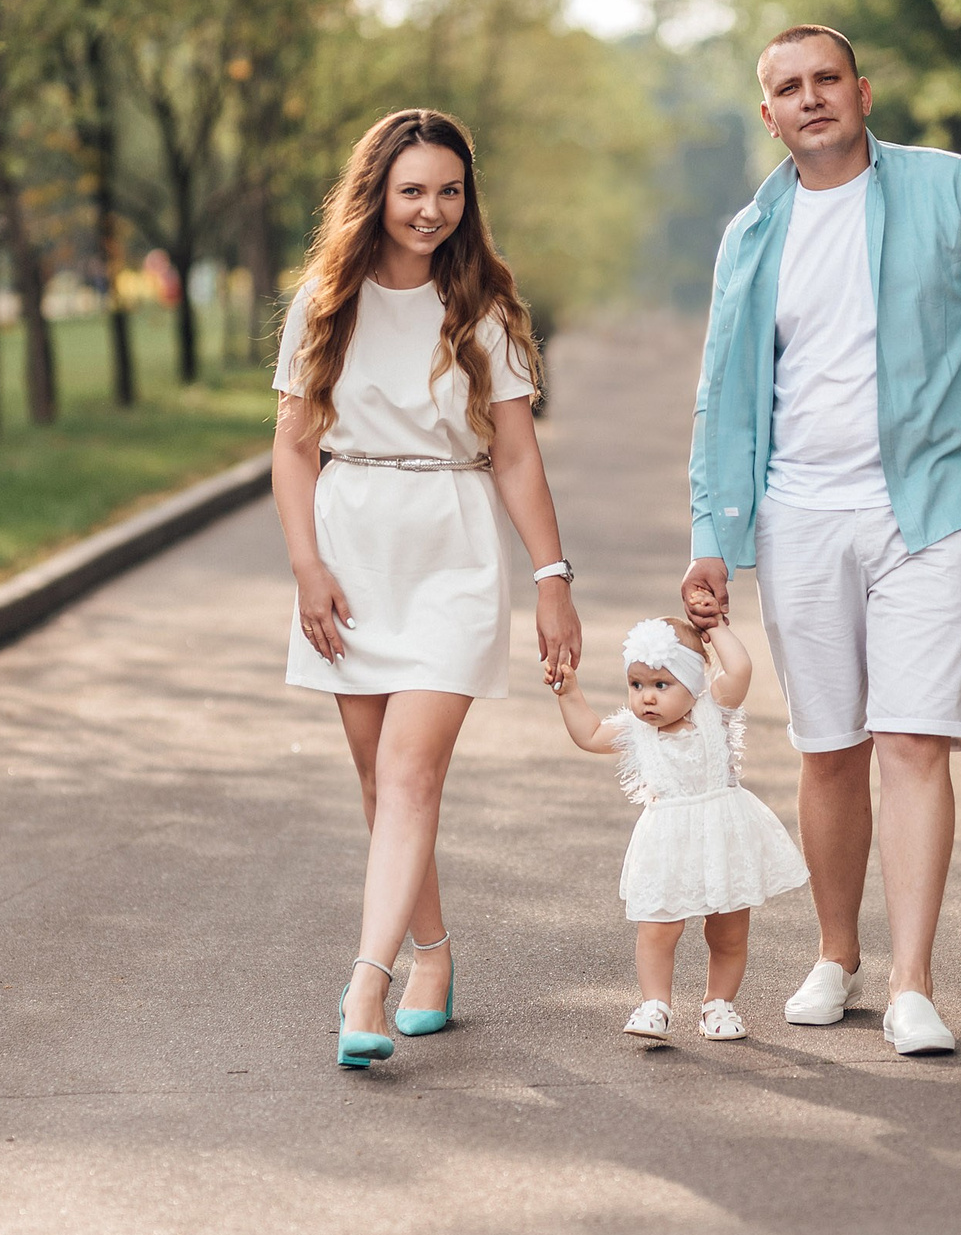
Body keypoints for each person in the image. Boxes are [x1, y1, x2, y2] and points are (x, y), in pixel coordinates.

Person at [680, 24, 961, 1057]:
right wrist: (710, 534)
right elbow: (722, 396)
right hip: (799, 515)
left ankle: (913, 982)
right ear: (769, 115)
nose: (812, 97)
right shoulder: (752, 234)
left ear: (862, 91)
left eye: (827, 78)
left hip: (933, 507)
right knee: (830, 747)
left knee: (915, 738)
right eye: (790, 87)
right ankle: (837, 956)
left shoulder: (947, 188)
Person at [272, 108, 582, 1070]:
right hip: (350, 554)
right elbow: (293, 449)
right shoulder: (324, 301)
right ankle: (433, 957)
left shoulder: (483, 307)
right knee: (381, 783)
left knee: (411, 778)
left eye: (450, 191)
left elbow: (517, 458)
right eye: (412, 190)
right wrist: (307, 567)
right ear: (375, 194)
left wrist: (553, 579)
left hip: (453, 551)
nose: (431, 210)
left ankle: (366, 984)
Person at [551, 614, 809, 1045]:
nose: (647, 697)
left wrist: (715, 629)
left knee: (728, 930)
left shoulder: (713, 710)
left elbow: (740, 669)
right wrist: (569, 693)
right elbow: (590, 734)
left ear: (693, 682)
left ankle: (719, 1003)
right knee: (658, 928)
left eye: (661, 684)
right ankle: (655, 1004)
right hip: (667, 843)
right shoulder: (636, 730)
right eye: (636, 685)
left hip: (722, 836)